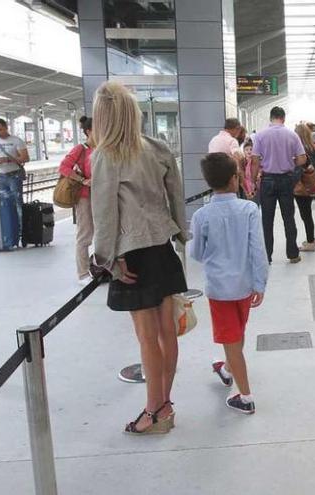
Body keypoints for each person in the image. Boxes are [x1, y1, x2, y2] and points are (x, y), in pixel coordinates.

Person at [91, 81, 188, 434]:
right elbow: (175, 195)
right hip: (162, 246)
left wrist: (105, 259)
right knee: (167, 333)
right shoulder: (157, 148)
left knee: (147, 338)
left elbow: (105, 215)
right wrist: (180, 232)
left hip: (131, 253)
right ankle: (165, 406)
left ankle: (153, 411)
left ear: (103, 116)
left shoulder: (105, 155)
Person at [189, 152, 268, 414]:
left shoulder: (202, 216)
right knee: (237, 333)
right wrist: (260, 283)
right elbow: (258, 249)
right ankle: (226, 369)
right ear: (235, 179)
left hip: (219, 288)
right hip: (244, 285)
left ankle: (244, 396)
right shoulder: (249, 209)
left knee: (231, 339)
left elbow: (197, 253)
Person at [250, 107, 307, 264]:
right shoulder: (292, 135)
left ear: (271, 118)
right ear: (283, 118)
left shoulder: (260, 135)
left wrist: (254, 180)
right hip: (286, 180)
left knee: (267, 220)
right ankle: (293, 254)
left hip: (267, 180)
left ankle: (267, 256)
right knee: (288, 218)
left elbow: (255, 160)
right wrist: (290, 161)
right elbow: (302, 159)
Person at [58, 116, 95, 283]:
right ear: (89, 131)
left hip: (102, 197)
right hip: (85, 197)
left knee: (105, 232)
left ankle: (103, 268)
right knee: (85, 234)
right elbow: (63, 167)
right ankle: (83, 273)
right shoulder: (81, 149)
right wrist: (82, 180)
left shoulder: (105, 149)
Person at [0, 118, 30, 216]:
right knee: (4, 203)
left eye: (0, 129)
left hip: (14, 176)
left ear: (6, 128)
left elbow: (26, 158)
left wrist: (7, 159)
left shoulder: (16, 141)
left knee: (17, 202)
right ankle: (8, 227)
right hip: (1, 176)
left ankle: (20, 228)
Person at [294, 123, 315, 252]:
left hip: (301, 185)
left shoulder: (300, 150)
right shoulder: (313, 147)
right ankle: (311, 239)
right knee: (308, 213)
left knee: (305, 214)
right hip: (310, 184)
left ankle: (310, 241)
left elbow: (299, 167)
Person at [208, 118, 245, 196]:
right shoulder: (231, 140)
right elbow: (237, 156)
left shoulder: (213, 140)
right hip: (229, 180)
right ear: (237, 128)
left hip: (214, 179)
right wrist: (242, 179)